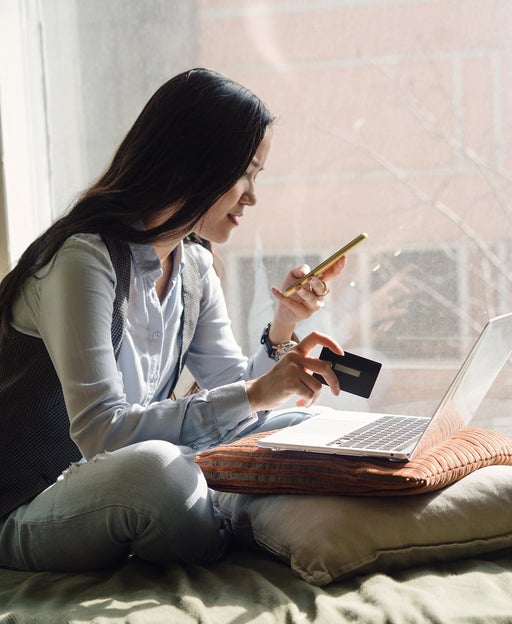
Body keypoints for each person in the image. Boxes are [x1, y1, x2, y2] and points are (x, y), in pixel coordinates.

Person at [0, 68, 345, 572]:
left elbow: (235, 395)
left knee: (310, 425)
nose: (252, 196)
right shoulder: (83, 260)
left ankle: (235, 514)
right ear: (189, 165)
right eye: (244, 172)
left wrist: (282, 329)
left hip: (124, 484)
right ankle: (239, 523)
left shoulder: (194, 267)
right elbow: (102, 434)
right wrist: (253, 395)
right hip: (29, 500)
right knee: (158, 474)